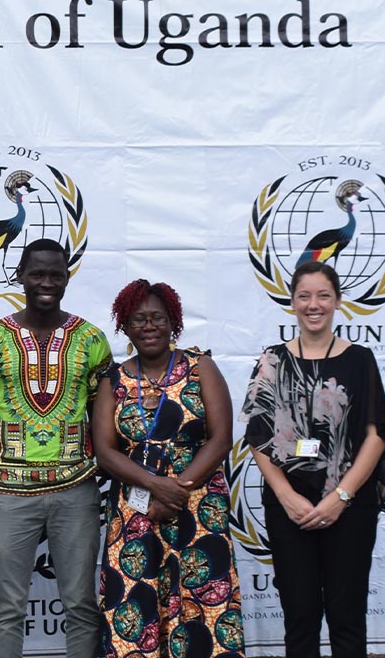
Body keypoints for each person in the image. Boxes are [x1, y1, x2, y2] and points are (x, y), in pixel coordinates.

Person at [0, 238, 110, 658]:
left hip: (77, 490)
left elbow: (103, 419)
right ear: (20, 277)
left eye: (56, 274)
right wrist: (8, 461)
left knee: (81, 605)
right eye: (37, 274)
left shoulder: (91, 339)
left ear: (67, 278)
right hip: (9, 494)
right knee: (7, 607)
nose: (46, 282)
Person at [242, 261, 385, 658]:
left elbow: (375, 436)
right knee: (300, 619)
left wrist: (339, 497)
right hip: (288, 508)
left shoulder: (360, 359)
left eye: (323, 295)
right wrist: (286, 496)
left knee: (347, 619)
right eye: (304, 295)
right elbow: (257, 437)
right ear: (291, 302)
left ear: (338, 302)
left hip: (349, 505)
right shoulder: (271, 361)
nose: (314, 304)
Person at [93, 278, 242, 658]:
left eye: (157, 317)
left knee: (200, 608)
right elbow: (106, 452)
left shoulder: (200, 368)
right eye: (138, 319)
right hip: (135, 513)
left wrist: (178, 488)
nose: (148, 325)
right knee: (135, 607)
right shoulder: (114, 380)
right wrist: (155, 486)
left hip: (198, 506)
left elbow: (220, 438)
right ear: (124, 326)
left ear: (173, 322)